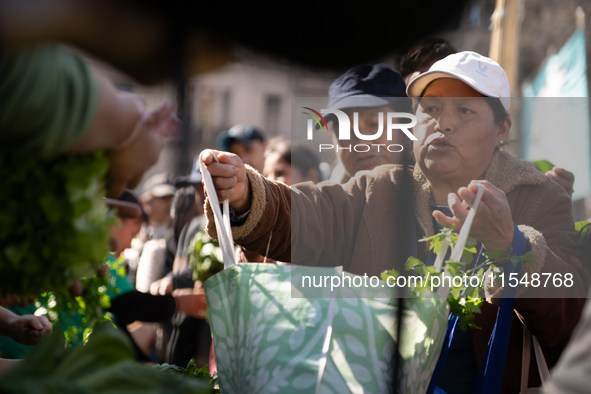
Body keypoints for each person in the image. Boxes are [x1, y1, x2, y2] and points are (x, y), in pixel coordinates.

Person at [202, 51, 590, 393]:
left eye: (465, 110)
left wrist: (511, 245)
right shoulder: (380, 188)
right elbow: (307, 212)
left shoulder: (539, 197)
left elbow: (570, 318)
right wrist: (245, 193)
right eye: (431, 110)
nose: (443, 123)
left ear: (502, 128)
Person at [323, 64, 412, 184]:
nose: (361, 144)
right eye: (346, 131)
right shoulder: (323, 201)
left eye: (374, 125)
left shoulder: (441, 198)